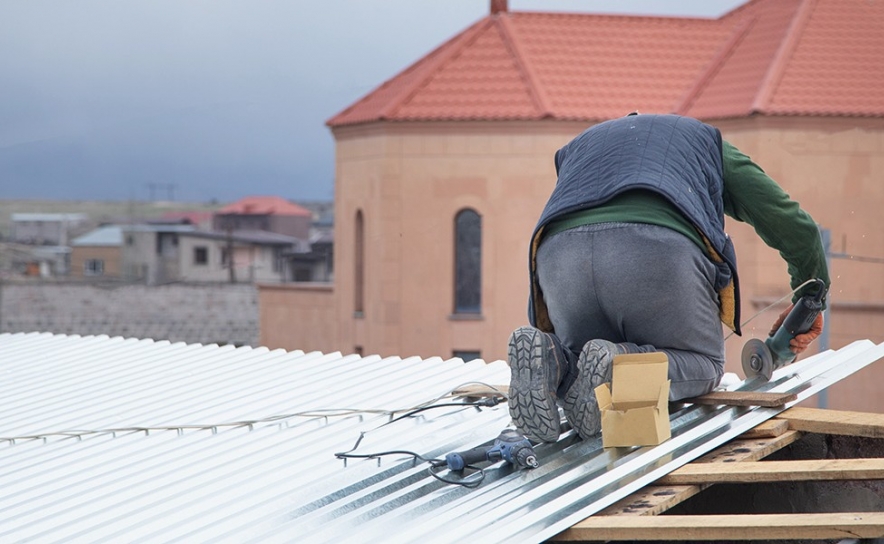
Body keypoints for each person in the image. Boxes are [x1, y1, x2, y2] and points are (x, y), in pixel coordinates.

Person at [507, 113, 829, 443]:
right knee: (704, 364)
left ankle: (554, 358)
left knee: (582, 365)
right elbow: (792, 224)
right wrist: (811, 297)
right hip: (654, 250)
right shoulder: (702, 142)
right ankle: (619, 366)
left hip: (559, 257)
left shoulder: (582, 146)